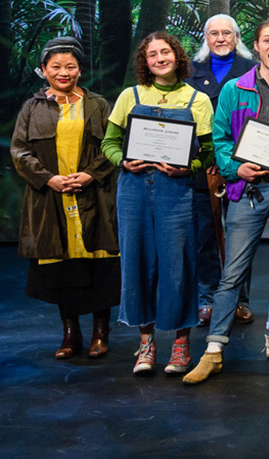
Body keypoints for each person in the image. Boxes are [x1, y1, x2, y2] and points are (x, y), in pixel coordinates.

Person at [182, 20, 269, 385]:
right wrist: (235, 167)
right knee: (232, 273)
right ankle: (213, 350)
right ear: (257, 47)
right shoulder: (234, 89)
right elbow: (219, 140)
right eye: (267, 41)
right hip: (248, 192)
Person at [101, 31, 215, 375]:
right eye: (152, 55)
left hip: (175, 190)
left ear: (177, 56)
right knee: (137, 263)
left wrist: (187, 168)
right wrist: (123, 160)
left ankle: (180, 345)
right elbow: (109, 142)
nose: (160, 59)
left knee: (178, 264)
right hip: (133, 189)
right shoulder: (129, 96)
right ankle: (146, 344)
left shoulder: (196, 99)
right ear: (144, 62)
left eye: (165, 52)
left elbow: (207, 152)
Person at [12, 37, 120, 359]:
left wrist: (91, 174)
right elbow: (19, 151)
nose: (63, 72)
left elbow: (113, 144)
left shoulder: (98, 104)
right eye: (56, 66)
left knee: (100, 265)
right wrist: (49, 179)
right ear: (44, 69)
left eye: (70, 66)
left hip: (94, 198)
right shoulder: (32, 107)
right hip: (51, 200)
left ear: (79, 70)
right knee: (62, 269)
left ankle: (101, 333)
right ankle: (70, 333)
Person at [187, 14, 256, 326]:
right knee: (205, 237)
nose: (220, 38)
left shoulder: (251, 71)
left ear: (237, 36)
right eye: (213, 33)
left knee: (241, 236)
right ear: (206, 37)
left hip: (241, 164)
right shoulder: (191, 71)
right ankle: (207, 299)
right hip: (202, 167)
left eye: (226, 33)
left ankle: (240, 299)